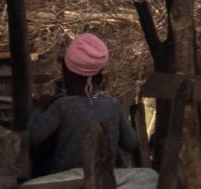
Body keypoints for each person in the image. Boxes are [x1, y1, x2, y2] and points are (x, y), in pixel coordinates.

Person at [27, 32, 143, 175]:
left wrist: (38, 108)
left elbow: (34, 135)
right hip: (104, 181)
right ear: (99, 79)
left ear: (66, 77)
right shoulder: (113, 105)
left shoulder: (63, 106)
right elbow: (130, 143)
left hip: (64, 182)